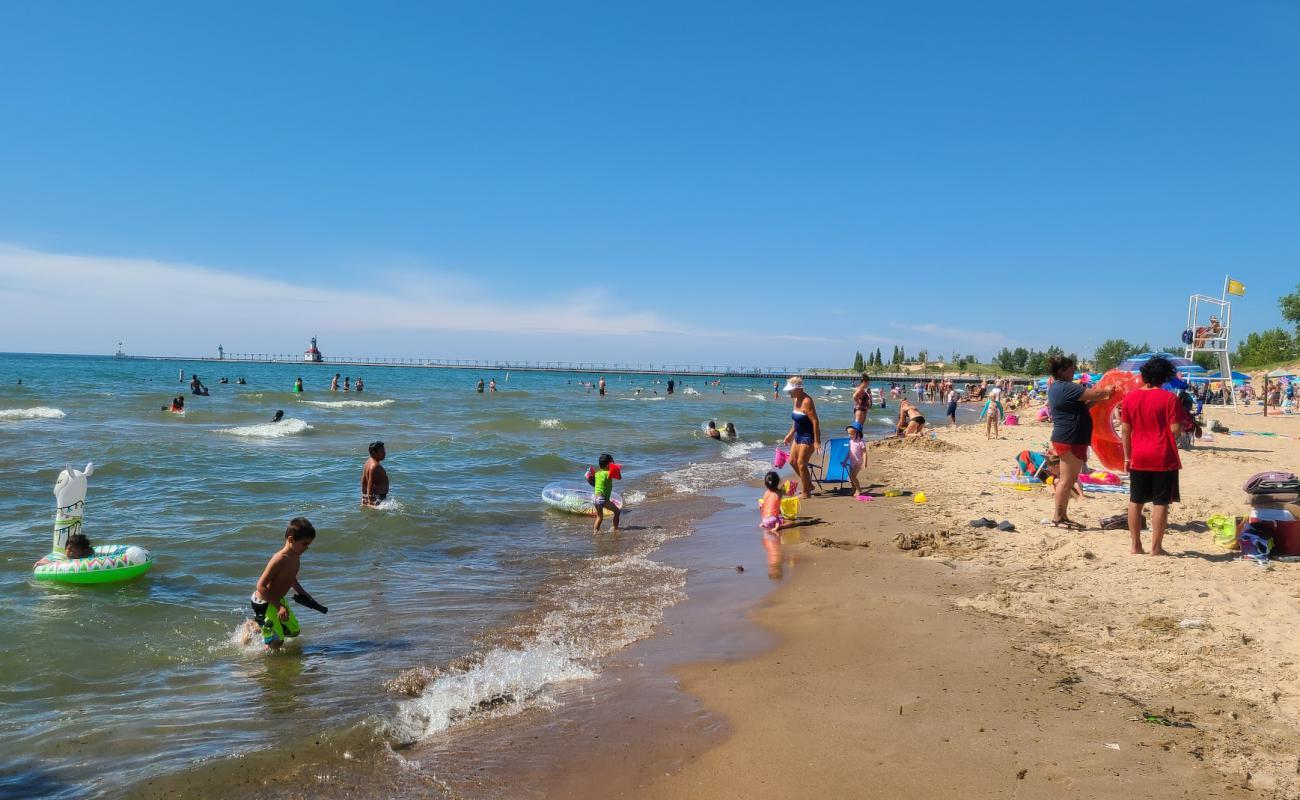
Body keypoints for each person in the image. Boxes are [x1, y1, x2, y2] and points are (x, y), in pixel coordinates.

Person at [1121, 357, 1183, 556]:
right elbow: (1175, 430)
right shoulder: (1169, 398)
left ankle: (1135, 545)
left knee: (1135, 501)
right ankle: (1156, 547)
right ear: (1164, 377)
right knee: (1160, 502)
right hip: (1162, 455)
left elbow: (1125, 431)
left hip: (1138, 454)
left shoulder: (1129, 397)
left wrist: (1126, 458)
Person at [1047, 355, 1114, 530]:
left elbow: (1084, 406)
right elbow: (1097, 393)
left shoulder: (1058, 388)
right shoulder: (1066, 387)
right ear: (1061, 371)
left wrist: (1100, 397)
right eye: (1070, 369)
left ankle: (1062, 516)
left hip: (1069, 437)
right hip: (1070, 438)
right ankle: (1058, 518)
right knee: (1066, 481)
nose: (1073, 371)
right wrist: (1107, 390)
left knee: (1068, 479)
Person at [249, 518, 318, 650]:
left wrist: (304, 594)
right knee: (277, 643)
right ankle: (264, 645)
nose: (307, 548)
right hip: (264, 603)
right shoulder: (279, 559)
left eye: (308, 544)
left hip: (277, 601)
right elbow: (260, 586)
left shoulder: (296, 556)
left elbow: (292, 579)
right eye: (304, 544)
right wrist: (279, 607)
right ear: (291, 540)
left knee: (293, 631)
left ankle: (258, 625)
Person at [781, 377, 820, 500]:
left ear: (799, 389)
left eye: (790, 391)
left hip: (808, 436)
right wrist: (790, 434)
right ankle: (809, 485)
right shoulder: (796, 399)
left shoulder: (807, 401)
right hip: (798, 435)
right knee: (792, 461)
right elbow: (796, 421)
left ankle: (806, 492)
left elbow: (815, 421)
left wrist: (817, 441)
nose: (789, 393)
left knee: (801, 464)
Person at [592, 453, 621, 532]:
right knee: (617, 512)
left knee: (599, 517)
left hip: (595, 499)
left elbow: (594, 483)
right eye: (612, 462)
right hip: (603, 499)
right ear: (609, 464)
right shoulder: (608, 474)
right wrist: (614, 467)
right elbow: (619, 477)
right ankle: (614, 528)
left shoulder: (597, 474)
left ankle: (595, 532)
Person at [361, 441, 389, 507]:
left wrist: (364, 497)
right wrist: (370, 502)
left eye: (384, 451)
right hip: (377, 499)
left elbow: (363, 482)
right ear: (374, 453)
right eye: (382, 451)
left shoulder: (368, 462)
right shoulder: (374, 466)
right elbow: (370, 484)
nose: (384, 453)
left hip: (375, 497)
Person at [844, 424, 867, 496]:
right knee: (851, 478)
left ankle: (858, 490)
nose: (849, 435)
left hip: (858, 463)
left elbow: (865, 453)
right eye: (848, 434)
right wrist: (845, 460)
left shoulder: (861, 442)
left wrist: (865, 463)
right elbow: (849, 452)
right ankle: (853, 489)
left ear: (857, 433)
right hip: (851, 462)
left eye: (851, 434)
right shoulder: (851, 442)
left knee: (853, 476)